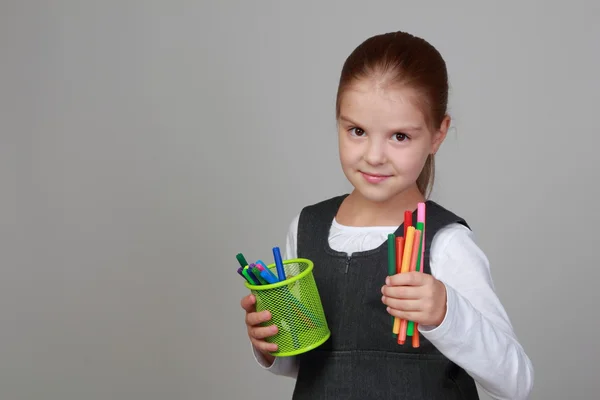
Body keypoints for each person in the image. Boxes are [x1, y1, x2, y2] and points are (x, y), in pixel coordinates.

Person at [240, 31, 534, 399]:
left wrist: (447, 313)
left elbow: (516, 381)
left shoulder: (445, 243)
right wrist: (269, 343)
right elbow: (308, 363)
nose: (374, 155)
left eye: (399, 137)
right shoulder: (305, 229)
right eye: (357, 131)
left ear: (437, 135)